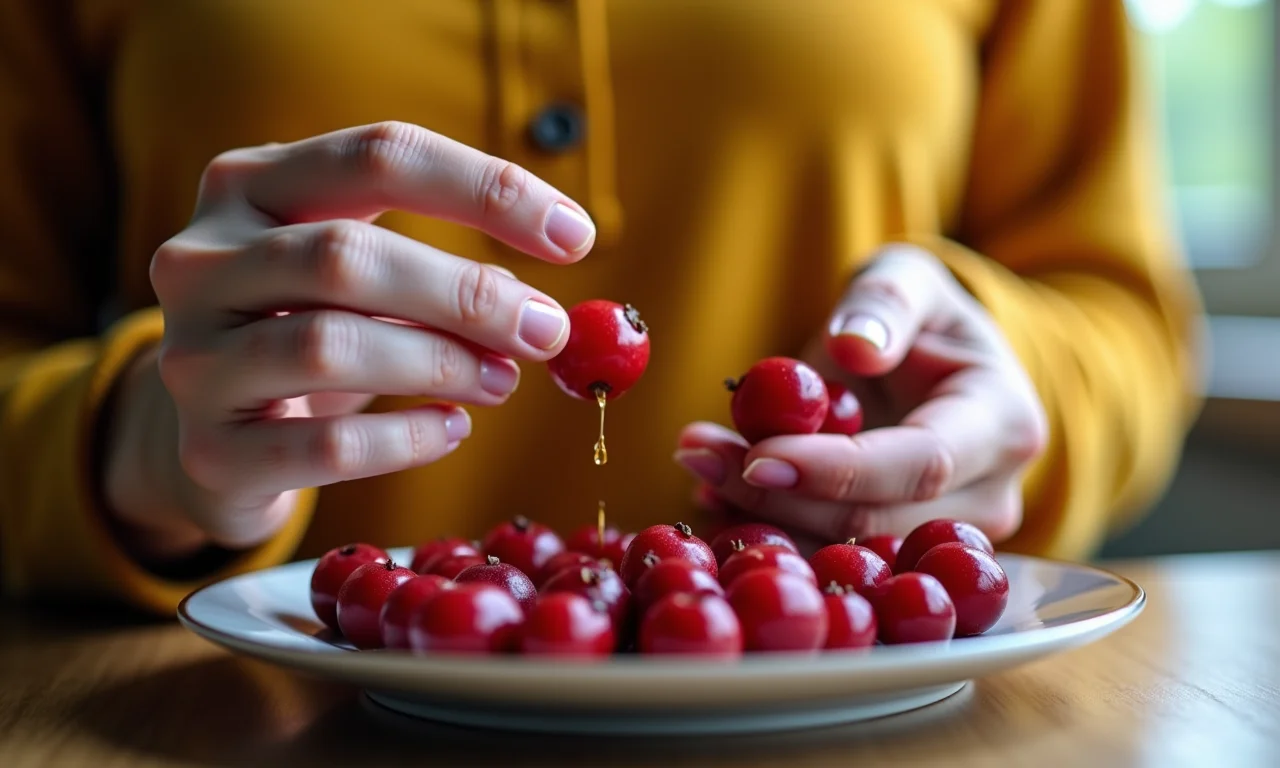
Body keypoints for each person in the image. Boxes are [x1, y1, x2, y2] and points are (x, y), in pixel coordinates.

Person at [0, 0, 1201, 613]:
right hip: (242, 724)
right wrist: (137, 449)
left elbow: (1124, 318)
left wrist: (1011, 395)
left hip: (868, 721)